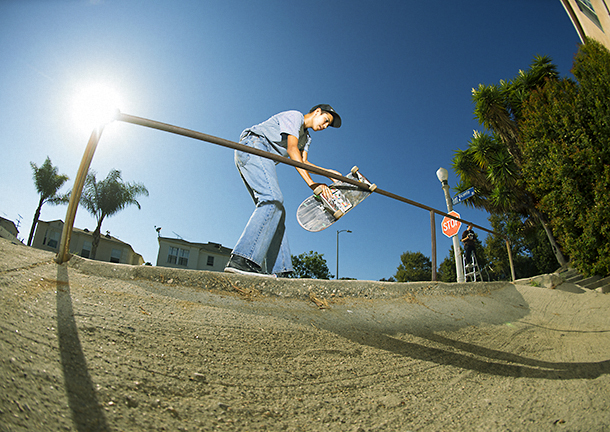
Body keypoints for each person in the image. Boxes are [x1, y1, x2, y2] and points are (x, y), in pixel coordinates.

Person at [224, 104, 342, 277]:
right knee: (272, 200)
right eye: (325, 121)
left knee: (276, 211)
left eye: (327, 126)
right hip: (254, 146)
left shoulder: (307, 139)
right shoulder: (295, 117)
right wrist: (312, 184)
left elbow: (304, 162)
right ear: (317, 112)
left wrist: (327, 173)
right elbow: (292, 149)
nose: (324, 127)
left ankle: (281, 271)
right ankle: (242, 259)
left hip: (262, 157)